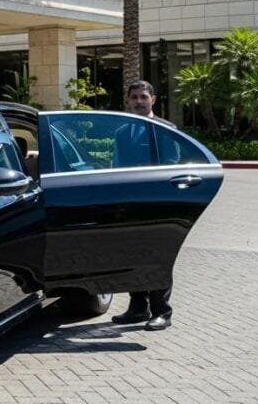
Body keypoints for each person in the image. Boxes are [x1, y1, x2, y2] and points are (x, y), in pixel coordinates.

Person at [111, 80, 175, 331]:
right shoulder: (121, 132)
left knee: (159, 257)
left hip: (158, 203)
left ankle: (162, 311)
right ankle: (138, 308)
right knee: (133, 254)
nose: (139, 101)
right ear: (128, 100)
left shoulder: (166, 128)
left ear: (153, 100)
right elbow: (117, 166)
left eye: (143, 97)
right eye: (134, 97)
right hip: (131, 203)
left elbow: (174, 164)